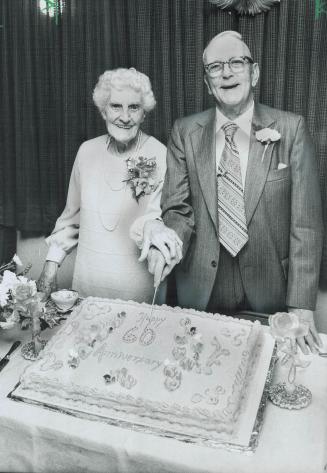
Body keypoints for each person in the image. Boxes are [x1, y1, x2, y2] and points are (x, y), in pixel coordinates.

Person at [141, 31, 324, 353]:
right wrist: (167, 243)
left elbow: (306, 225)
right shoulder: (184, 131)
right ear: (207, 82)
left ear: (253, 73)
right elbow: (178, 209)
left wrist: (301, 304)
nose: (226, 73)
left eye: (236, 63)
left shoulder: (291, 129)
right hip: (199, 292)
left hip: (271, 297)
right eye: (215, 67)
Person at [37, 67, 178, 304]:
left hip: (138, 289)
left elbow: (159, 220)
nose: (125, 117)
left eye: (134, 107)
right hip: (88, 284)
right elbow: (72, 218)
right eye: (115, 106)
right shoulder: (87, 152)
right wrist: (51, 266)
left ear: (145, 113)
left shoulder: (158, 154)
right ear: (103, 111)